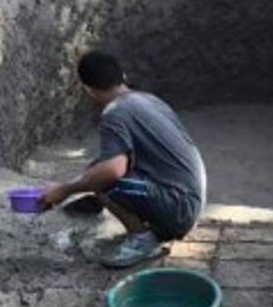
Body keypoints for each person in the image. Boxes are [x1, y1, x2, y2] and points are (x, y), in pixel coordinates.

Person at [40, 50, 207, 268]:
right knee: (97, 168)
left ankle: (141, 239)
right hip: (190, 200)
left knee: (104, 179)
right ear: (123, 76)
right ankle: (105, 203)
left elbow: (113, 171)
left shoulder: (115, 112)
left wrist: (64, 190)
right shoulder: (148, 100)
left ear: (88, 89)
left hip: (179, 209)